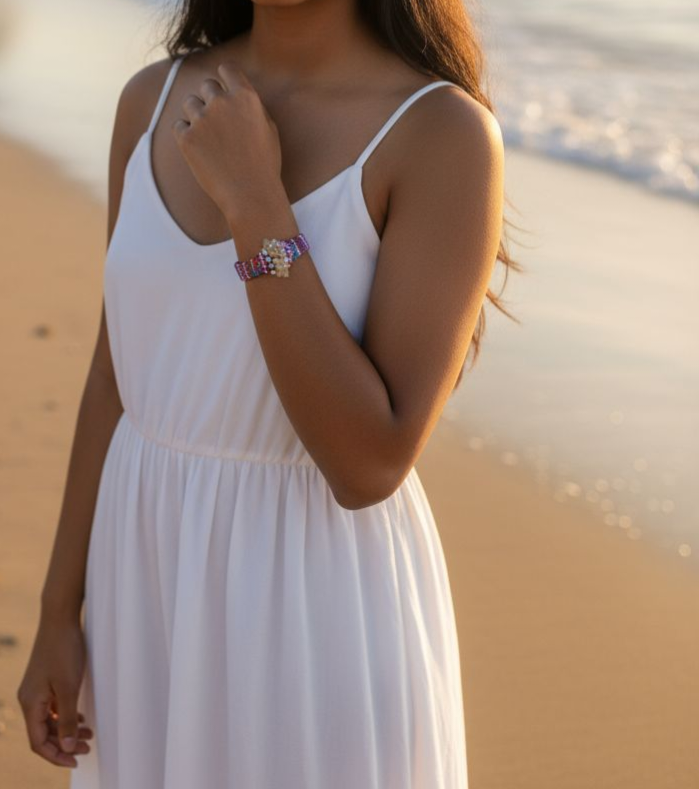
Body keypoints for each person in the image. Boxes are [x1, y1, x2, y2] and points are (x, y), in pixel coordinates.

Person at [17, 0, 519, 786]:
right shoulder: (150, 101)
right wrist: (57, 612)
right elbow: (116, 374)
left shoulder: (438, 134)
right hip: (145, 589)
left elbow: (367, 464)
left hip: (315, 607)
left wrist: (256, 204)